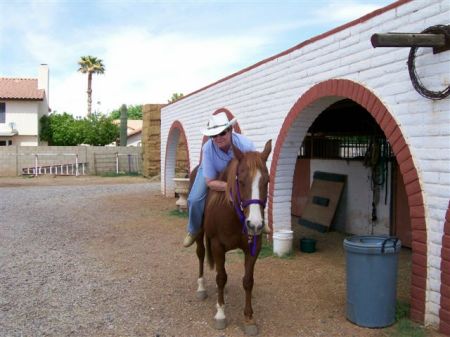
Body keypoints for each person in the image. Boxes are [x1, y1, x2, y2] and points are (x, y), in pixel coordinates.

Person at [183, 112, 258, 247]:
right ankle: (193, 230)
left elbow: (255, 171)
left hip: (236, 174)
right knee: (194, 199)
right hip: (212, 170)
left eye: (222, 133)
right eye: (213, 135)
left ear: (230, 130)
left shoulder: (246, 145)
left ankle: (260, 222)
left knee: (257, 189)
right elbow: (210, 182)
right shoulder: (207, 149)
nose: (218, 138)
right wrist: (232, 186)